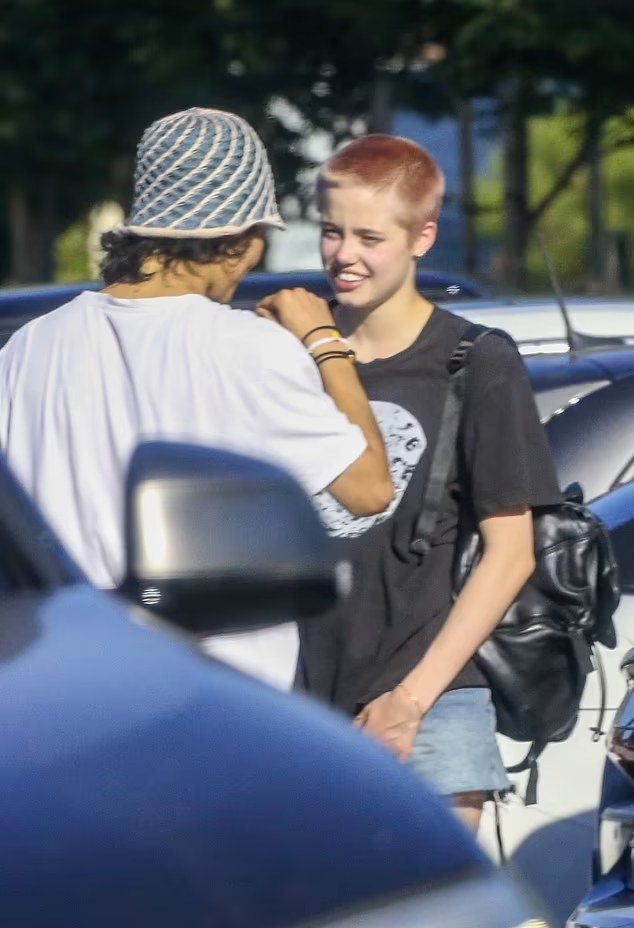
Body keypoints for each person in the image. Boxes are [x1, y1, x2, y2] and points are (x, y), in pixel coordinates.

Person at [0, 108, 393, 683]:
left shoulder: (28, 347)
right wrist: (324, 342)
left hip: (58, 686)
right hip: (210, 700)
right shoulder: (248, 348)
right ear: (236, 243)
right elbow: (369, 488)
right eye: (260, 237)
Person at [296, 134, 562, 831]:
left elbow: (512, 554)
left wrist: (409, 702)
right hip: (294, 701)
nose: (343, 255)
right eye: (330, 231)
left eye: (369, 237)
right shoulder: (295, 355)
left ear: (422, 238)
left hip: (426, 698)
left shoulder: (474, 360)